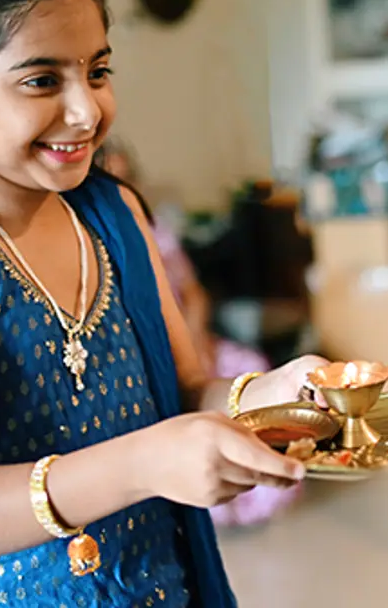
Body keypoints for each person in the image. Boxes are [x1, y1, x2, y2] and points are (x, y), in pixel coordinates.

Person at [0, 0, 323, 607]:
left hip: (160, 586)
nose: (86, 111)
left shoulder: (114, 213)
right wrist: (147, 462)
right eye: (43, 79)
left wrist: (270, 393)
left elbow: (184, 390)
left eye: (98, 71)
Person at [94, 137, 303, 528]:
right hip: (142, 359)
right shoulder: (95, 249)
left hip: (189, 341)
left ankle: (256, 486)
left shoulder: (156, 232)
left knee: (249, 368)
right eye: (108, 178)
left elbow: (192, 295)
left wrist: (195, 341)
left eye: (124, 178)